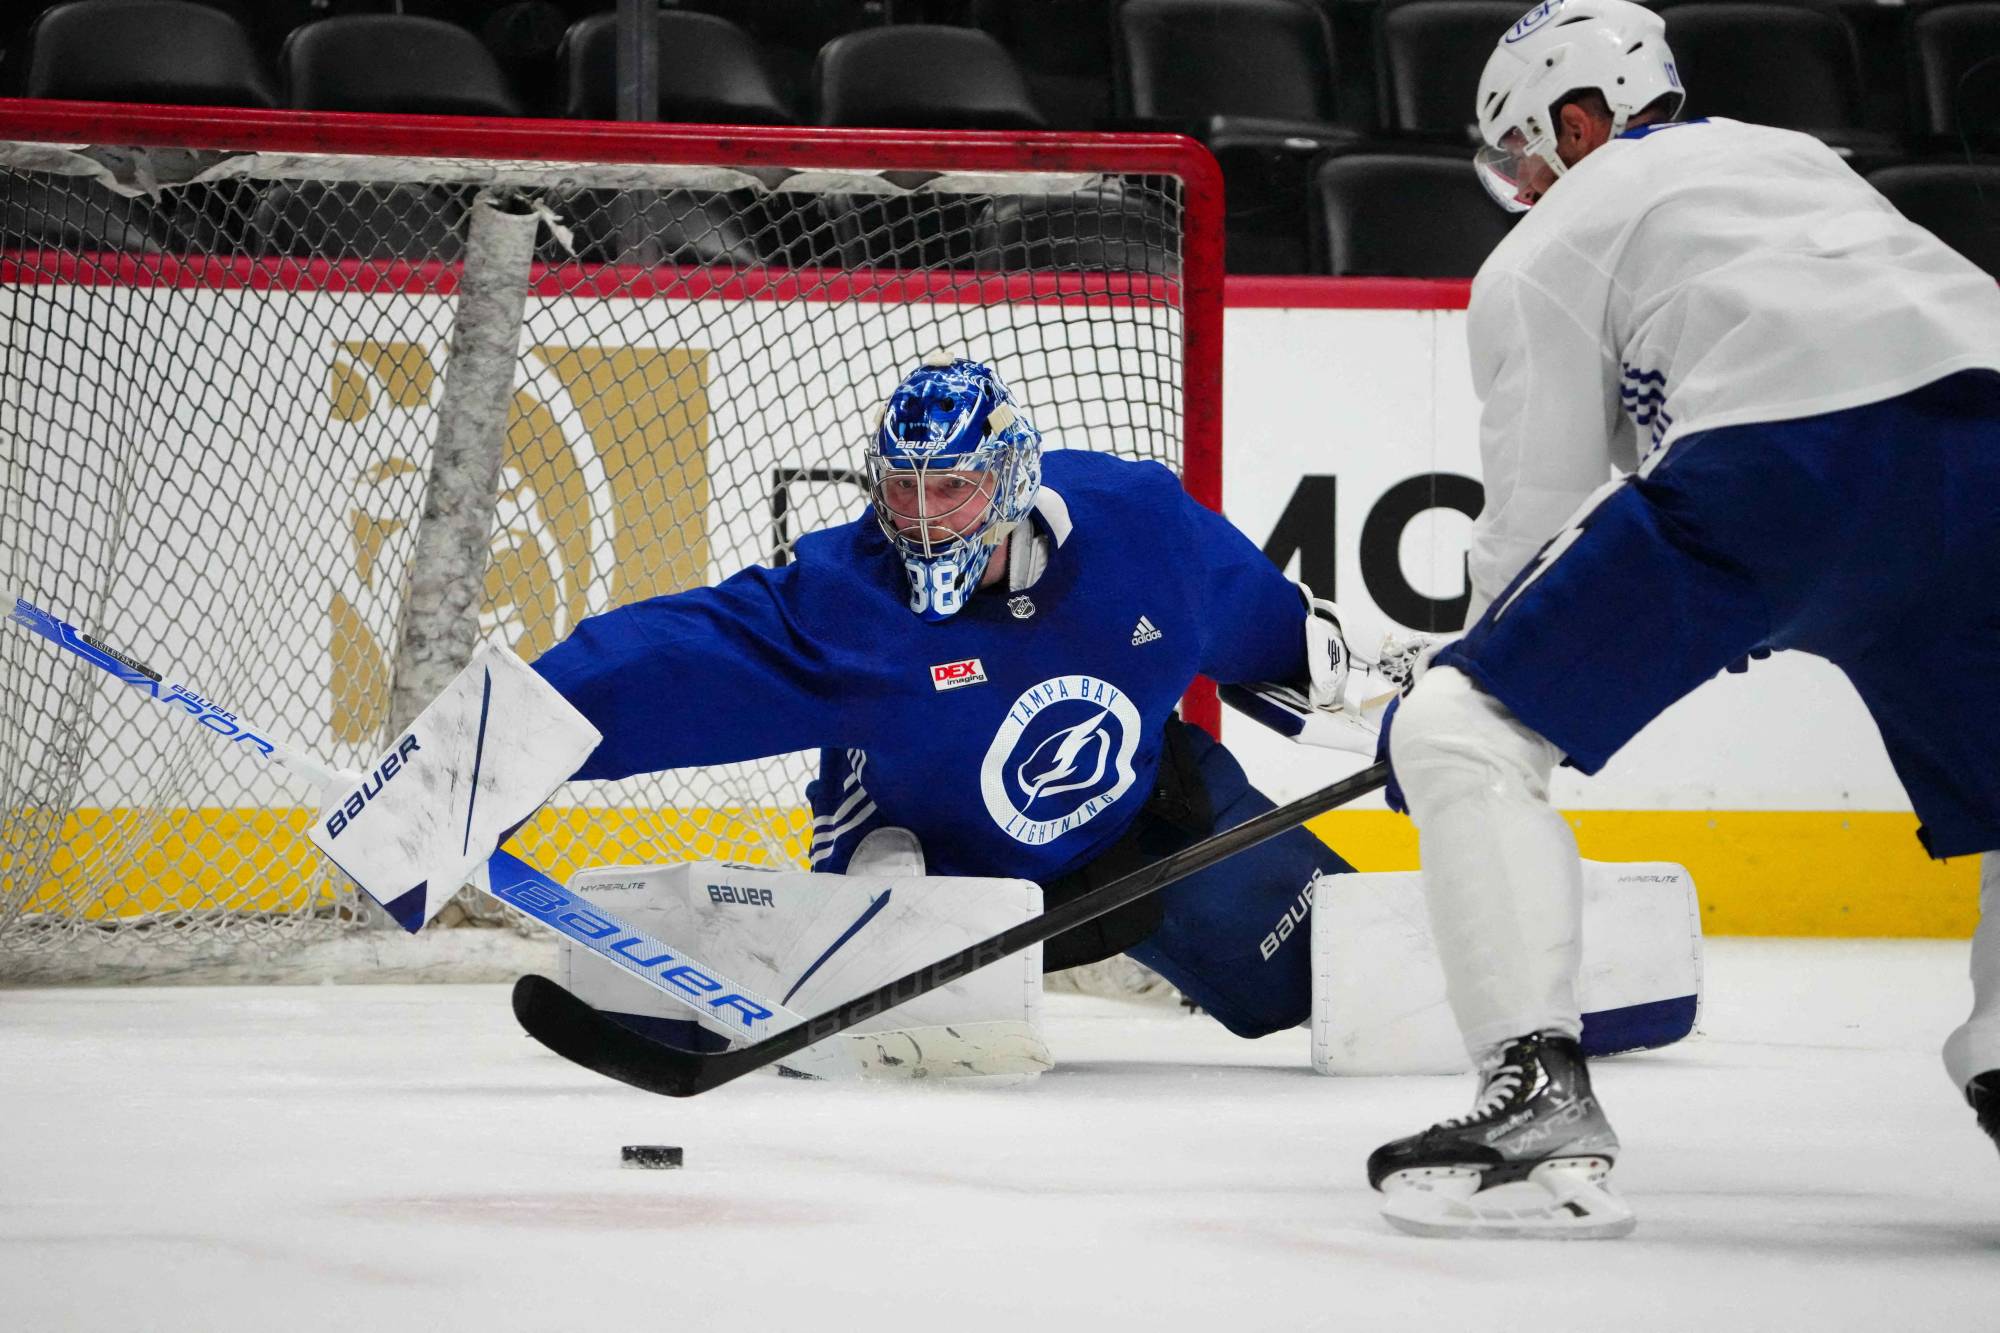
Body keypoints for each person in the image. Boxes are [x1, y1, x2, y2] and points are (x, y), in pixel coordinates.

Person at [1367, 0, 2000, 1238]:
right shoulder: (1801, 160)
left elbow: (1535, 515)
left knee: (1458, 729)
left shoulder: (1553, 241)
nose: (1520, 185)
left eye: (1521, 152)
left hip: (1786, 470)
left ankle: (1532, 1091)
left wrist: (1464, 692)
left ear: (1577, 117)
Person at [531, 352, 1359, 1040]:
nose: (924, 521)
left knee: (1337, 980)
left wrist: (1355, 692)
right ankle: (828, 945)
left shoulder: (1141, 529)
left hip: (1149, 828)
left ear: (1009, 479)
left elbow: (1259, 623)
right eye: (903, 490)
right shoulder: (850, 603)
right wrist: (527, 718)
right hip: (945, 882)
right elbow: (676, 656)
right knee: (902, 993)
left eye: (952, 488)